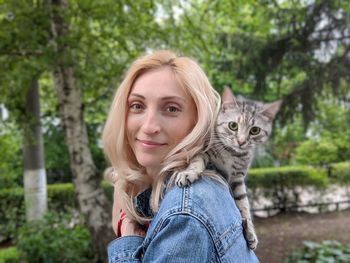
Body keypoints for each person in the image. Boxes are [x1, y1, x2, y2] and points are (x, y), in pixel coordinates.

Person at [102, 50, 259, 262]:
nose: (149, 126)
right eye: (137, 106)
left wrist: (128, 238)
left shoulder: (185, 213)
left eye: (171, 109)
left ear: (199, 121)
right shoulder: (170, 192)